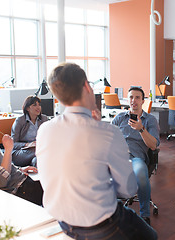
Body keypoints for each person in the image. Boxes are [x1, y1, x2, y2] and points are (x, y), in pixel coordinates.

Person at [36, 63, 157, 240]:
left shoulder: (45, 129)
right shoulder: (108, 132)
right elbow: (129, 190)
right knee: (151, 236)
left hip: (62, 221)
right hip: (100, 224)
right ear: (87, 86)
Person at [112, 87, 160, 224]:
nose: (134, 101)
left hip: (136, 158)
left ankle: (144, 215)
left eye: (137, 97)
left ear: (143, 101)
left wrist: (141, 129)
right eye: (131, 97)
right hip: (118, 157)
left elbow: (153, 145)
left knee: (140, 174)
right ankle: (112, 212)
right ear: (128, 100)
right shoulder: (120, 118)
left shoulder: (149, 120)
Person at [11, 95, 48, 167]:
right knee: (43, 151)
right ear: (27, 108)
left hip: (38, 149)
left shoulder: (44, 119)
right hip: (22, 151)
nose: (38, 107)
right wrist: (28, 145)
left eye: (39, 105)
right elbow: (13, 143)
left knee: (36, 160)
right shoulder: (20, 121)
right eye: (34, 105)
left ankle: (34, 164)